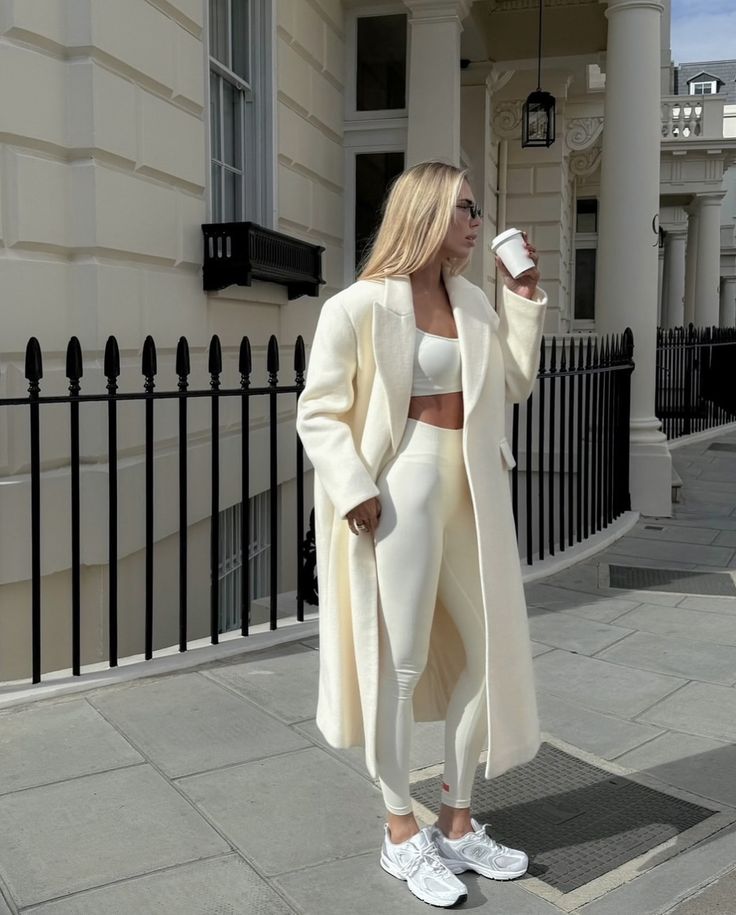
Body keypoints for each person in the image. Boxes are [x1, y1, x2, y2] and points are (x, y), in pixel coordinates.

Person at [296, 161, 546, 908]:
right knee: (398, 666)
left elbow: (510, 385)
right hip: (400, 490)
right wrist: (354, 486)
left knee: (487, 650)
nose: (476, 219)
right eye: (465, 207)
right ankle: (401, 829)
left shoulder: (471, 300)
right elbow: (319, 411)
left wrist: (524, 301)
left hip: (470, 491)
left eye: (477, 209)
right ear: (429, 212)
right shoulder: (359, 306)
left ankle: (457, 817)